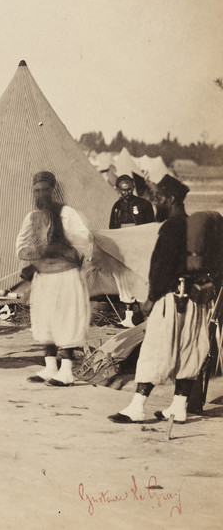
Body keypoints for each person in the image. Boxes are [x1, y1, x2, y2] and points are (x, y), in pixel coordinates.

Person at [109, 175, 214, 425]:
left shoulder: (170, 227)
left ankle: (137, 407)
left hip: (170, 299)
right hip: (196, 301)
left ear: (172, 199)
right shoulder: (197, 227)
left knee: (155, 350)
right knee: (189, 351)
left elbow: (161, 268)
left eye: (159, 198)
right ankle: (178, 407)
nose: (156, 203)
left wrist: (149, 299)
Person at [15, 170, 93, 387]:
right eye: (36, 190)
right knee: (44, 320)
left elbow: (83, 239)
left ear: (53, 190)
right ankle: (50, 366)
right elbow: (20, 247)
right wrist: (39, 253)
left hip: (65, 276)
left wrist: (63, 250)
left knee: (64, 319)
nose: (41, 194)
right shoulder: (31, 217)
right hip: (44, 277)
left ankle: (67, 371)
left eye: (45, 189)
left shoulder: (66, 213)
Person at [108, 174, 157, 327]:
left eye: (129, 190)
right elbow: (112, 228)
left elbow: (151, 227)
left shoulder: (144, 205)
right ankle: (128, 317)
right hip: (123, 248)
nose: (127, 193)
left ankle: (143, 314)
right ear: (118, 190)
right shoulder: (116, 207)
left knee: (141, 278)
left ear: (133, 188)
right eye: (123, 190)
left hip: (139, 247)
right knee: (124, 279)